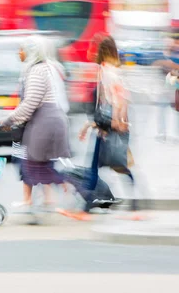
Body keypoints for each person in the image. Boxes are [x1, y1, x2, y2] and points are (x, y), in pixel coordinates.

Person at [69, 37, 139, 220]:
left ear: (102, 51)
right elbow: (122, 99)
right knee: (108, 167)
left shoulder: (107, 71)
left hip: (109, 127)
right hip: (108, 125)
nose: (91, 53)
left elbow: (118, 99)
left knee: (115, 167)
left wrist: (117, 120)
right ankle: (89, 208)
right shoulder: (114, 70)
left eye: (95, 49)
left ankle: (87, 209)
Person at [0, 36, 70, 212]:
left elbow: (32, 102)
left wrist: (10, 119)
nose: (19, 52)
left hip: (43, 123)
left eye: (22, 49)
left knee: (31, 163)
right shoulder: (33, 69)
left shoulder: (38, 70)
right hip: (35, 123)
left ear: (31, 52)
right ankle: (42, 200)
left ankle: (69, 184)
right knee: (33, 163)